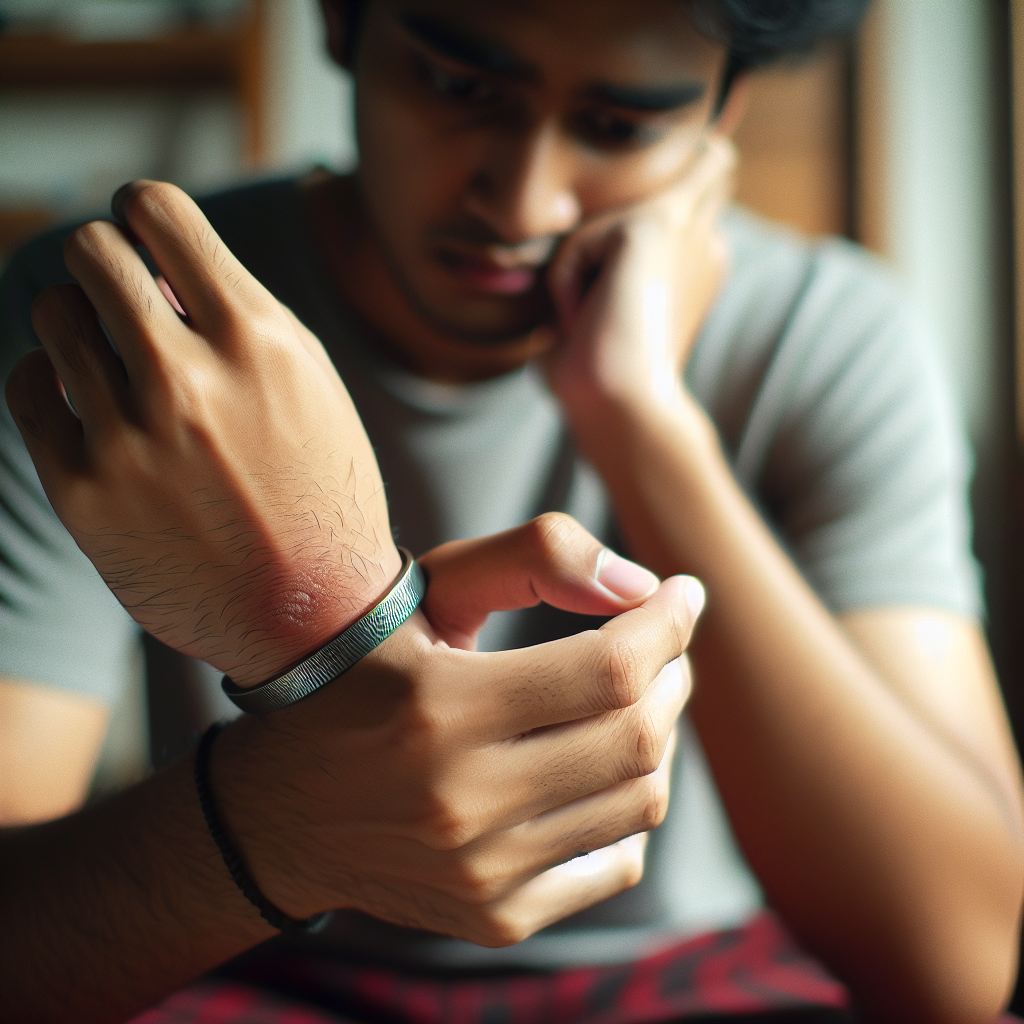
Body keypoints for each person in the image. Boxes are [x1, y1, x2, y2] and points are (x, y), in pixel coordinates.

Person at [2, 1, 1023, 1022]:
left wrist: (640, 418)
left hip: (692, 977)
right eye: (457, 86)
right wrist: (277, 826)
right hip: (245, 969)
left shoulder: (827, 333)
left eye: (620, 127)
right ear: (342, 23)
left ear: (722, 114)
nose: (525, 202)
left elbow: (958, 968)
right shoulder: (112, 325)